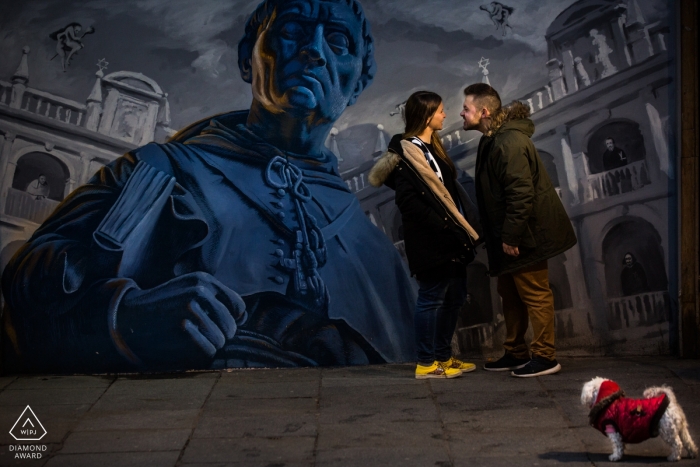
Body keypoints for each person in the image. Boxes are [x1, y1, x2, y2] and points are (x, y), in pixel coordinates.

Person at [2, 0, 416, 373]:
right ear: (247, 58)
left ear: (359, 80)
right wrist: (123, 322)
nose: (315, 50)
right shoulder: (160, 172)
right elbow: (27, 300)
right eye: (291, 31)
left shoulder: (378, 253)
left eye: (339, 41)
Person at [460, 83, 577, 378]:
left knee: (535, 293)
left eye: (466, 108)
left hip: (527, 235)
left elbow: (521, 192)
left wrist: (511, 236)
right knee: (509, 293)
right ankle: (515, 352)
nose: (461, 114)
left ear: (484, 111)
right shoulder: (493, 140)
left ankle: (545, 357)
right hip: (510, 236)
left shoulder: (508, 142)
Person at [369, 91, 482, 379]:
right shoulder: (408, 154)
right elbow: (409, 203)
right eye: (441, 111)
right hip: (432, 240)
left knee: (455, 296)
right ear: (427, 115)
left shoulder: (434, 149)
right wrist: (443, 226)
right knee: (431, 298)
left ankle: (443, 356)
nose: (446, 114)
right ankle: (426, 362)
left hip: (451, 237)